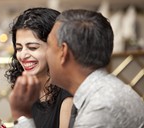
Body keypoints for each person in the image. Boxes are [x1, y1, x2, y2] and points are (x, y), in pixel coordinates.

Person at [9, 9, 144, 128]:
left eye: (49, 45)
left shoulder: (101, 106)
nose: (23, 56)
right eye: (19, 48)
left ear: (64, 52)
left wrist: (22, 116)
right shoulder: (100, 91)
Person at [0, 7, 73, 128]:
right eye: (19, 48)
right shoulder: (27, 89)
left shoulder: (68, 96)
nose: (23, 55)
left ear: (56, 48)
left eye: (32, 47)